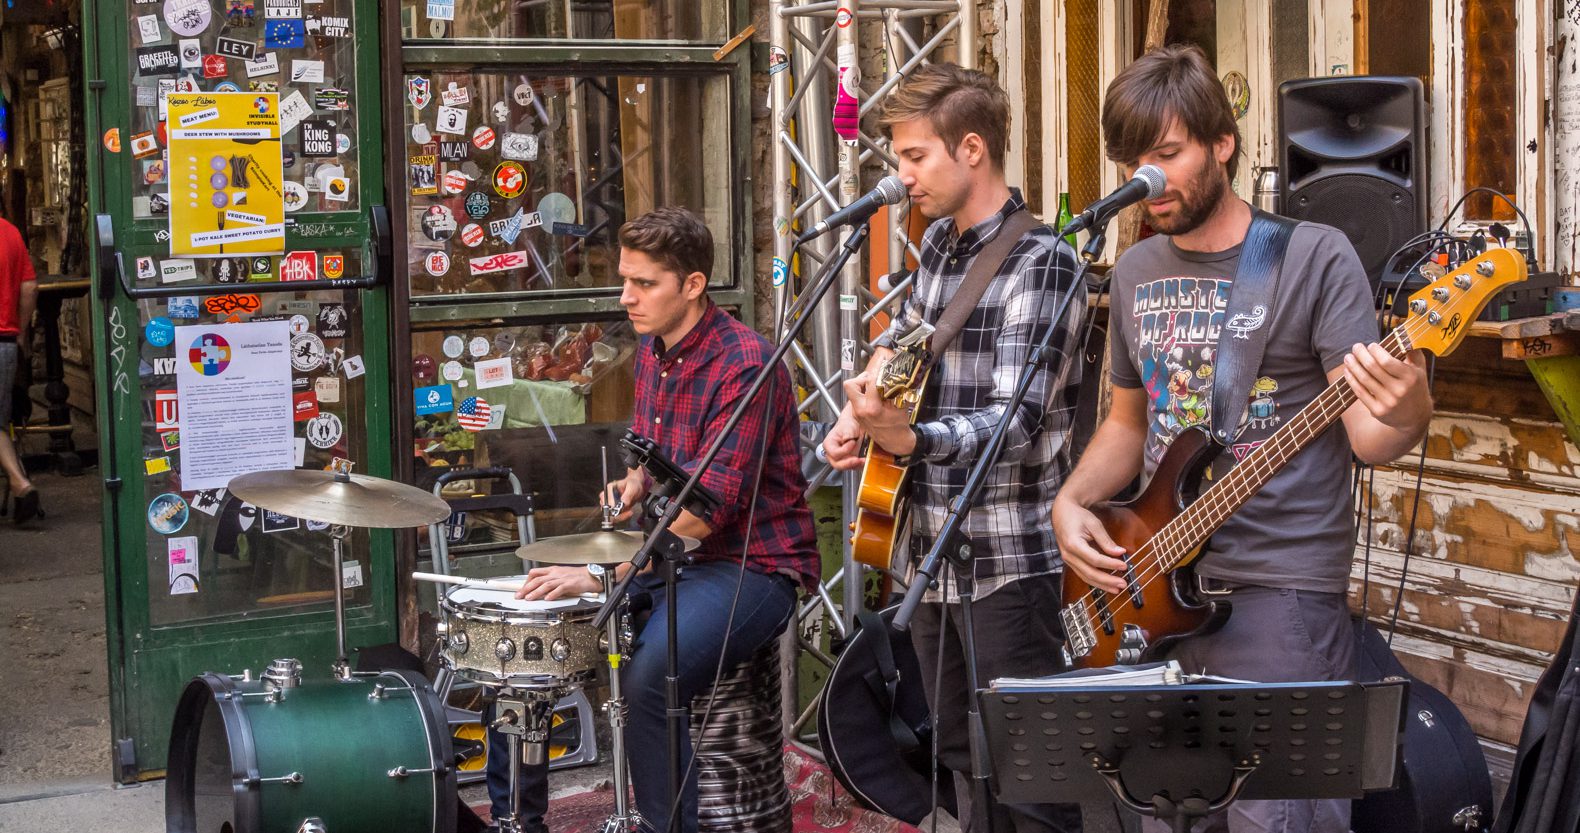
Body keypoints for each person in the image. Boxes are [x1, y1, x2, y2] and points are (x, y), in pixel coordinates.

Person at [1051, 44, 1433, 833]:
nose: (1149, 181)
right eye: (1133, 162)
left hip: (1280, 592)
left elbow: (1366, 434)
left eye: (1166, 155)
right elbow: (1129, 420)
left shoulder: (1312, 256)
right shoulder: (1134, 270)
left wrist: (1409, 404)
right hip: (1153, 588)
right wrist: (1072, 501)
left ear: (1222, 142)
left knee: (1283, 820)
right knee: (1163, 813)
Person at [822, 63, 1086, 833]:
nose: (901, 178)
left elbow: (1018, 420)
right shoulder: (938, 245)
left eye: (914, 157)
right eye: (897, 161)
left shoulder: (1045, 262)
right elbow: (910, 349)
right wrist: (865, 409)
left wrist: (910, 440)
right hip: (928, 552)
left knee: (1032, 773)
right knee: (963, 758)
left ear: (972, 148)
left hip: (1008, 560)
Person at [511, 207, 821, 833]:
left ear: (694, 284)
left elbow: (707, 512)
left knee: (653, 676)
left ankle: (665, 824)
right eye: (625, 280)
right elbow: (660, 461)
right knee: (530, 633)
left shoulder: (746, 366)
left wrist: (606, 575)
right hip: (675, 557)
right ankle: (519, 817)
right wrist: (635, 483)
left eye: (644, 283)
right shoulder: (655, 351)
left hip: (753, 565)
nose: (626, 297)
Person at [0, 215, 38, 523]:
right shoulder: (10, 232)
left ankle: (18, 480)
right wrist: (21, 332)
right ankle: (19, 482)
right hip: (5, 342)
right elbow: (29, 286)